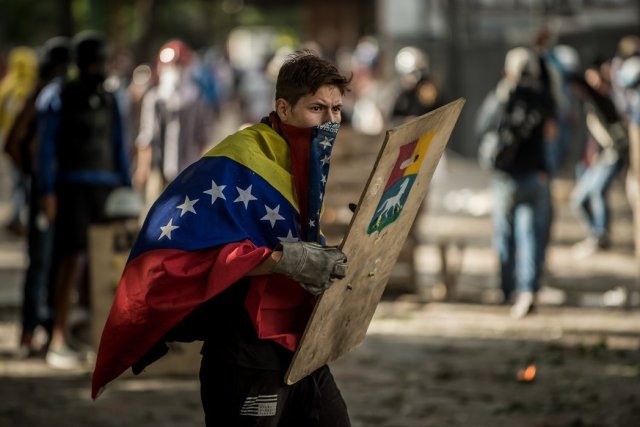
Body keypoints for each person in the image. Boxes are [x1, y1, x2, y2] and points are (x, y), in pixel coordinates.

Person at [92, 50, 352, 425]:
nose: (330, 121)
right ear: (283, 107)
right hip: (245, 351)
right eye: (317, 109)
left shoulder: (306, 156)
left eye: (337, 110)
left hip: (302, 345)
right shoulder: (238, 159)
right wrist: (289, 261)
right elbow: (196, 249)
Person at [38, 31, 131, 368]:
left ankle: (96, 337)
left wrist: (127, 189)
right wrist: (47, 191)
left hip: (106, 190)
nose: (101, 68)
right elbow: (46, 148)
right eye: (95, 62)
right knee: (69, 259)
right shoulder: (58, 94)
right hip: (71, 187)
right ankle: (58, 337)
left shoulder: (110, 98)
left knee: (104, 263)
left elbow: (120, 145)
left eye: (103, 61)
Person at [476, 46, 557, 319]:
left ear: (507, 72)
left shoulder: (502, 98)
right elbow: (553, 124)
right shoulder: (541, 98)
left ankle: (506, 290)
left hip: (506, 179)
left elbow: (482, 126)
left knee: (505, 236)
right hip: (536, 176)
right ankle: (527, 291)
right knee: (531, 237)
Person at [4, 36, 72, 358]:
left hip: (59, 193)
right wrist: (37, 180)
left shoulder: (59, 95)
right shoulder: (42, 98)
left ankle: (45, 331)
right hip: (44, 195)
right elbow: (14, 144)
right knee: (42, 262)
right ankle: (30, 333)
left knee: (56, 263)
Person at [132, 39, 211, 211]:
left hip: (189, 170)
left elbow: (203, 138)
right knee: (156, 215)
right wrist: (142, 169)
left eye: (180, 66)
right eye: (171, 66)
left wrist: (202, 170)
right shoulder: (154, 98)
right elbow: (146, 137)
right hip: (158, 172)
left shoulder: (196, 99)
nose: (175, 71)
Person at [569, 59, 629, 259]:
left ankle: (601, 235)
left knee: (597, 192)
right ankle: (596, 234)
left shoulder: (605, 98)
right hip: (599, 158)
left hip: (613, 156)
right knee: (579, 200)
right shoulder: (589, 103)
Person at [0, 46, 38, 235]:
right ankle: (20, 217)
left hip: (7, 139)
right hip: (25, 145)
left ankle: (18, 216)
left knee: (17, 180)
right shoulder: (30, 87)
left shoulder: (6, 86)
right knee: (24, 181)